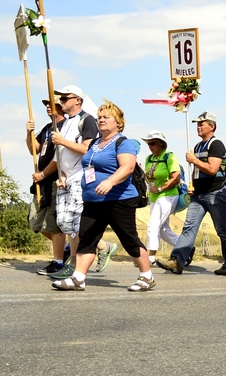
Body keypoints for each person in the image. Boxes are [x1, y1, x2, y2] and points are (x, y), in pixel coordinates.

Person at [52, 101, 155, 292]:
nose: (101, 120)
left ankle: (147, 276)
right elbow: (85, 167)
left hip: (118, 199)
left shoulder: (123, 143)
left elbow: (128, 167)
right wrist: (65, 177)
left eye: (106, 117)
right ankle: (78, 278)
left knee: (129, 239)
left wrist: (110, 182)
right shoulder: (95, 144)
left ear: (118, 122)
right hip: (92, 200)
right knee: (87, 238)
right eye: (99, 117)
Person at [156, 111, 226, 276]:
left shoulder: (216, 144)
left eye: (202, 124)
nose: (198, 126)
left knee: (222, 229)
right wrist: (192, 185)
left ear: (212, 126)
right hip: (198, 194)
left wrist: (194, 160)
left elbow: (212, 169)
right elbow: (197, 171)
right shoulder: (198, 146)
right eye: (197, 124)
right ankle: (177, 261)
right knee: (189, 227)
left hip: (214, 193)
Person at [46, 85, 116, 281]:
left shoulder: (87, 121)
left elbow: (87, 149)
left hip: (81, 177)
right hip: (66, 179)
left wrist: (61, 141)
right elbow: (61, 154)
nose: (61, 102)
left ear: (77, 100)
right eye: (60, 99)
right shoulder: (65, 124)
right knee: (65, 223)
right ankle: (98, 248)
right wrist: (61, 174)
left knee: (76, 225)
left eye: (65, 98)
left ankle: (75, 265)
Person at [27, 99, 66, 275]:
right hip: (41, 181)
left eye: (52, 103)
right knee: (35, 222)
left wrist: (44, 174)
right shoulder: (46, 128)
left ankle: (58, 261)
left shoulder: (66, 126)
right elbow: (34, 149)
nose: (48, 106)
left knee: (53, 223)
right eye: (45, 104)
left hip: (54, 180)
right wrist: (29, 133)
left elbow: (61, 157)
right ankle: (67, 247)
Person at [141, 131, 181, 264]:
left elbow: (176, 178)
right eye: (148, 143)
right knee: (163, 230)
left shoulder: (169, 157)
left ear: (161, 144)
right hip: (154, 197)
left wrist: (159, 188)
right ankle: (184, 247)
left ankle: (150, 257)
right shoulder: (148, 158)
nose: (150, 146)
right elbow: (148, 177)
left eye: (152, 143)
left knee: (153, 225)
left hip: (167, 196)